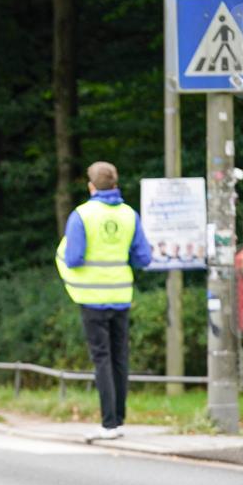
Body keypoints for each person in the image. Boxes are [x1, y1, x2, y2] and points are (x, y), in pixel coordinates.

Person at [55, 162, 152, 441]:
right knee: (120, 357)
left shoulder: (82, 215)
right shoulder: (129, 215)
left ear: (91, 186)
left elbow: (72, 258)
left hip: (91, 297)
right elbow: (143, 258)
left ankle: (108, 424)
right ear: (116, 184)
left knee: (102, 359)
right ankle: (119, 420)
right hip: (121, 295)